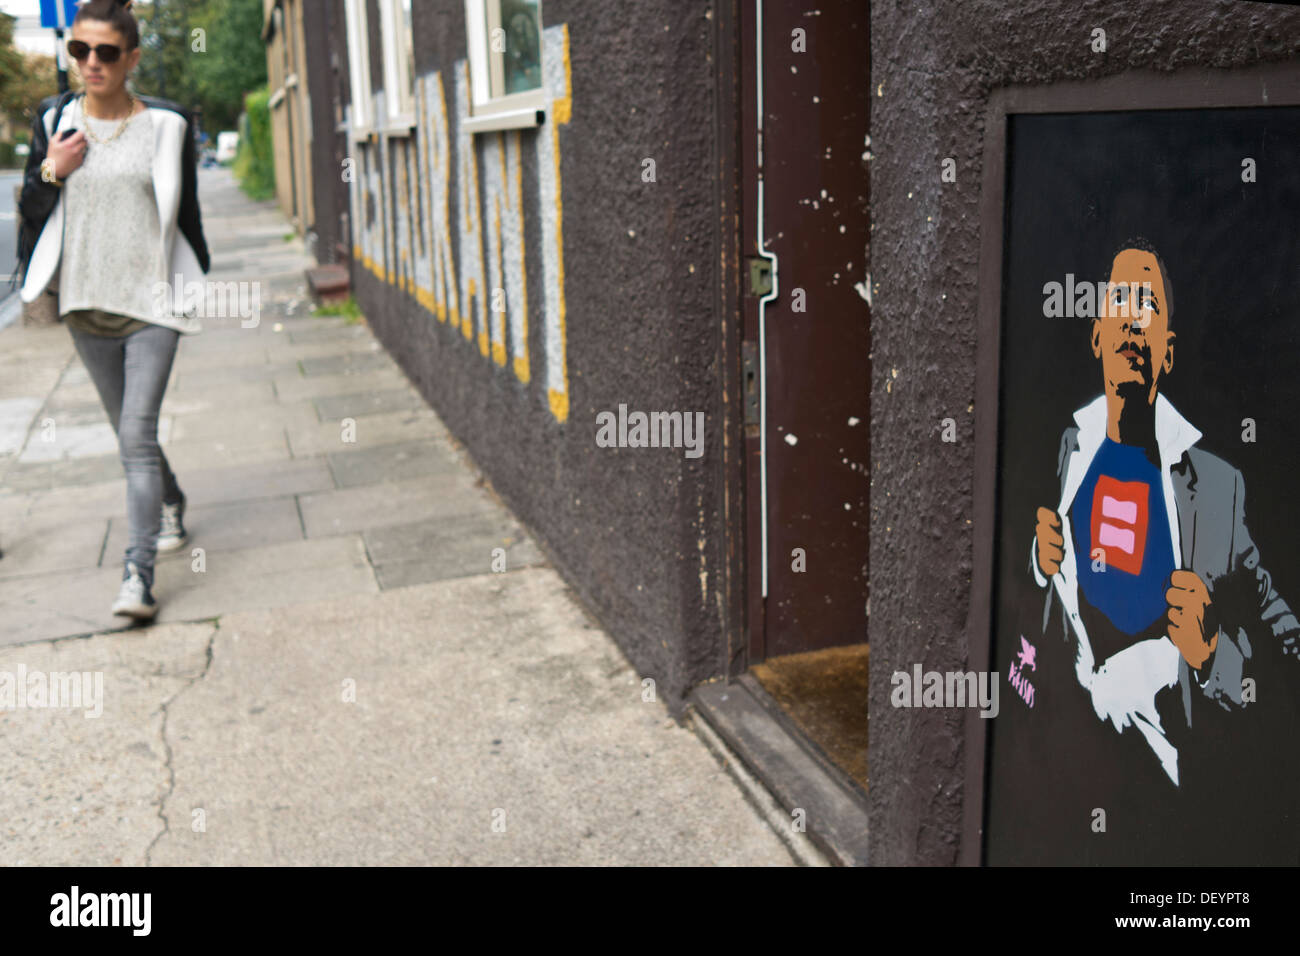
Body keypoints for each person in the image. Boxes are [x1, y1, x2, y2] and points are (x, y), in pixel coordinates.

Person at [1027, 239, 1300, 859]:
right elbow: (1048, 610)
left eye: (1147, 304)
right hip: (1060, 785)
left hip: (1164, 805)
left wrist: (1210, 654)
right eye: (1119, 301)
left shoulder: (1219, 491)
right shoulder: (1069, 448)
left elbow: (1287, 648)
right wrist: (1037, 565)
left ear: (1166, 351)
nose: (1131, 315)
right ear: (1097, 335)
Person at [16, 0, 210, 620]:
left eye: (104, 52)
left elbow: (186, 212)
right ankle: (172, 501)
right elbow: (30, 205)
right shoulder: (54, 119)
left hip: (151, 303)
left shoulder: (168, 125)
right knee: (134, 435)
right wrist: (54, 167)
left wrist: (193, 278)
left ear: (131, 58)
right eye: (79, 50)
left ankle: (137, 576)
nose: (90, 63)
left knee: (134, 436)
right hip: (84, 304)